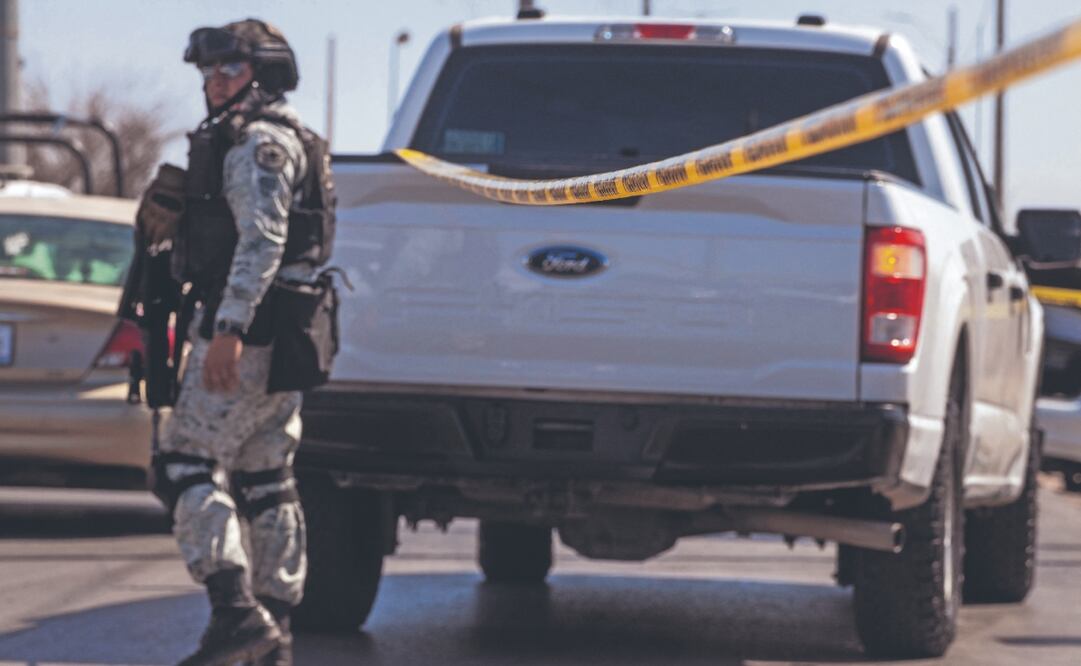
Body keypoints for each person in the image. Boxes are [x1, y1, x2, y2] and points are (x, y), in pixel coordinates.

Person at [139, 18, 336, 666]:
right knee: (263, 477)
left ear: (264, 74)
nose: (213, 83)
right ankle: (272, 634)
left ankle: (236, 616)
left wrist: (227, 331)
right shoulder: (280, 135)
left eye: (229, 69)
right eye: (208, 72)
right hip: (283, 334)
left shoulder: (258, 144)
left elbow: (262, 243)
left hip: (248, 334)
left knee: (183, 463)